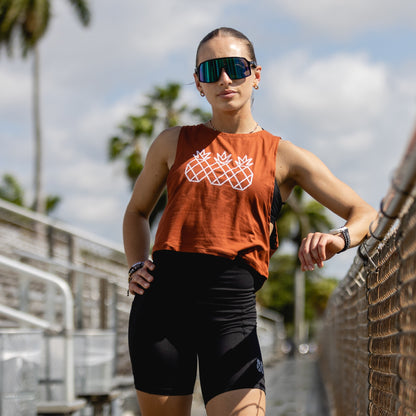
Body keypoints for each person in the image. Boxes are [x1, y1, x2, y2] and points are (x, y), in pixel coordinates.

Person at [124, 27, 377, 416]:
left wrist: (338, 238)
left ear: (256, 75)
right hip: (162, 308)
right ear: (198, 83)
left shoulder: (285, 156)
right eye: (211, 71)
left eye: (235, 68)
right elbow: (137, 212)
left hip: (231, 312)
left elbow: (365, 215)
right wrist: (137, 264)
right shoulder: (172, 142)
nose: (224, 79)